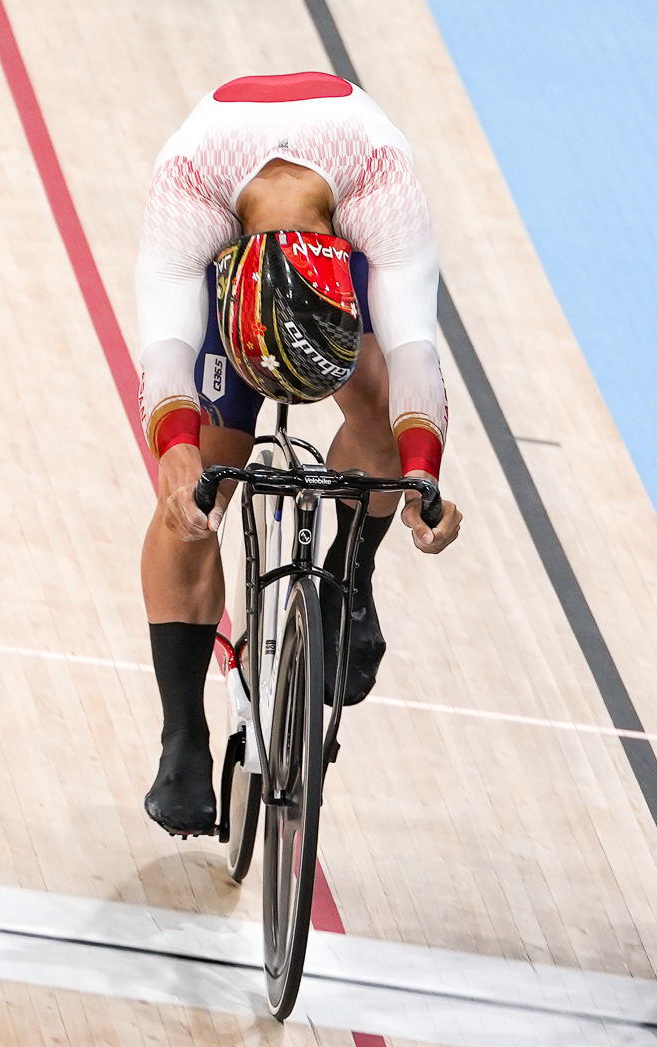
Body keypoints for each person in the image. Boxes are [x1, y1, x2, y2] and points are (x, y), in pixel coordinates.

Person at [133, 71, 464, 837]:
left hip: (337, 242)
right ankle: (181, 732)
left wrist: (424, 471)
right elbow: (166, 349)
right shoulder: (189, 184)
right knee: (191, 496)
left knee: (384, 410)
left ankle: (351, 570)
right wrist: (179, 453)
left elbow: (417, 353)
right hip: (231, 266)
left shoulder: (382, 178)